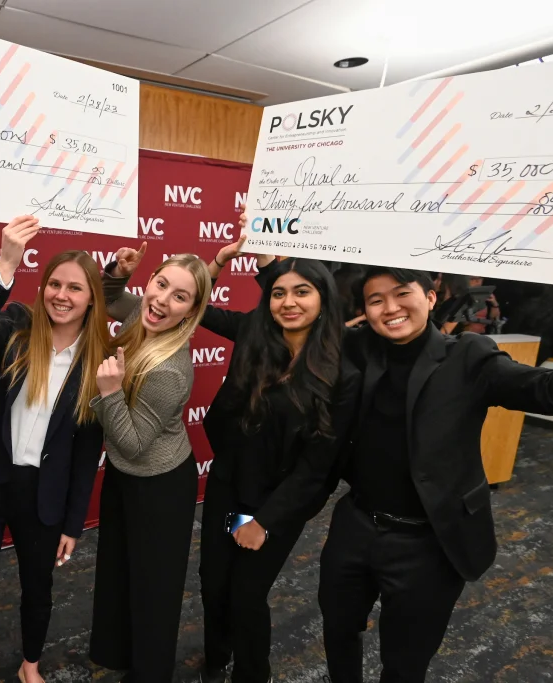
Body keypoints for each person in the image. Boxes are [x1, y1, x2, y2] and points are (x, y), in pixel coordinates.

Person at [318, 246, 553, 683]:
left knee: (405, 661)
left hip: (430, 541)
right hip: (356, 524)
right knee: (338, 630)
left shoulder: (468, 357)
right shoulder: (357, 348)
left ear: (431, 297)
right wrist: (267, 267)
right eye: (376, 300)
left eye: (402, 294)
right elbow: (287, 328)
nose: (390, 308)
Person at [0, 217, 107, 683]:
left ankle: (30, 666)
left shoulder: (98, 361)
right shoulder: (18, 326)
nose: (62, 295)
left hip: (42, 495)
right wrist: (7, 263)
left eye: (75, 288)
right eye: (55, 284)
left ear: (91, 298)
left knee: (38, 591)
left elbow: (87, 452)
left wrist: (74, 523)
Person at [198, 233, 359, 683]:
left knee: (247, 595)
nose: (289, 302)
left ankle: (252, 674)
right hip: (230, 489)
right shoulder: (255, 337)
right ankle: (216, 658)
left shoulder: (343, 372)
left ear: (323, 299)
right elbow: (194, 306)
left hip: (277, 504)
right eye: (279, 293)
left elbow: (318, 467)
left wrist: (263, 522)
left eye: (302, 292)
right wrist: (219, 263)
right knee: (214, 584)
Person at [88, 246, 212, 682]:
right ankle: (122, 655)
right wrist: (117, 273)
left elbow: (134, 443)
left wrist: (108, 392)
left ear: (191, 311)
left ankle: (150, 674)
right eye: (161, 284)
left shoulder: (171, 370)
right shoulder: (140, 313)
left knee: (154, 589)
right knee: (120, 573)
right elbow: (106, 298)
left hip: (159, 486)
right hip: (125, 475)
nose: (162, 300)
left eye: (180, 297)